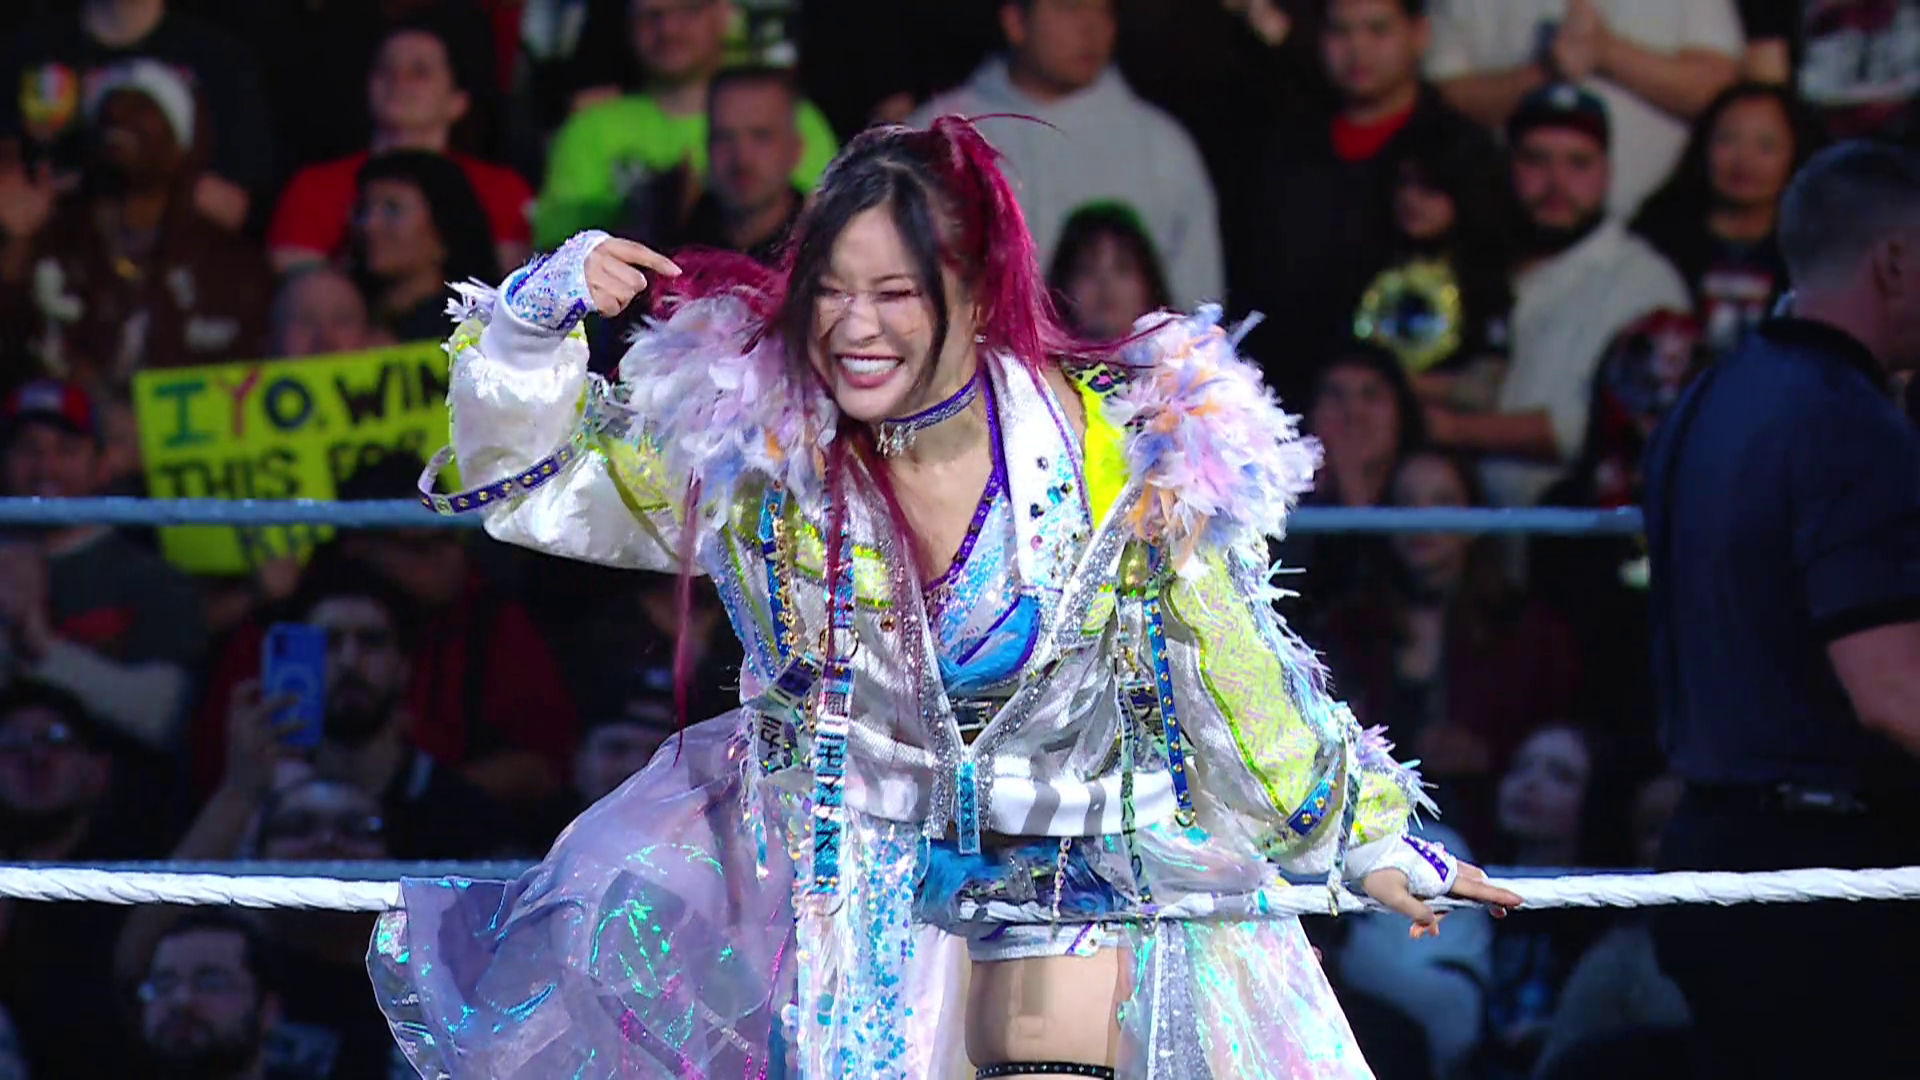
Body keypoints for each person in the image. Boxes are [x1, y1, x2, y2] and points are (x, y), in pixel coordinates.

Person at [370, 116, 1519, 1079]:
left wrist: (1363, 837)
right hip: (839, 886)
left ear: (973, 294)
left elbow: (1228, 661)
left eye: (895, 292)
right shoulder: (753, 447)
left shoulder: (1122, 448)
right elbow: (532, 480)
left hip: (1075, 861)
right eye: (830, 291)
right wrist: (533, 319)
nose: (855, 328)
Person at [1641, 140, 1920, 1078]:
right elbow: (1893, 688)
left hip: (1714, 856)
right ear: (1893, 262)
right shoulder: (1849, 425)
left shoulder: (1707, 399)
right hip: (1825, 885)